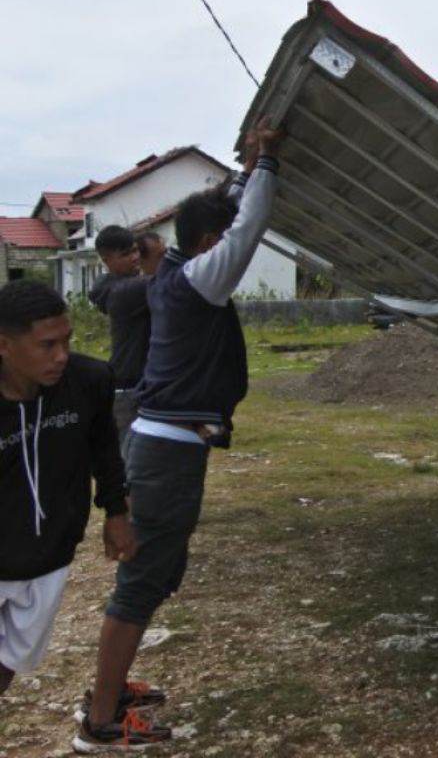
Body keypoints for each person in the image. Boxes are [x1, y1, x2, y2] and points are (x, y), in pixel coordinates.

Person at [74, 118, 284, 753]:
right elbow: (247, 232)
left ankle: (109, 692)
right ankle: (102, 722)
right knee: (142, 582)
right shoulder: (196, 279)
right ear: (208, 242)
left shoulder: (176, 274)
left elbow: (231, 220)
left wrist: (246, 169)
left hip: (162, 442)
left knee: (156, 575)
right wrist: (268, 163)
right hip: (166, 450)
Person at [0, 280, 135, 697]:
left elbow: (104, 449)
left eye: (67, 341)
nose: (61, 355)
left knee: (12, 658)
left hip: (50, 549)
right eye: (47, 345)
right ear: (5, 345)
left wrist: (116, 512)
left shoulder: (88, 380)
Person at [89, 226, 153, 459]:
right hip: (128, 383)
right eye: (126, 254)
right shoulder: (127, 289)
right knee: (127, 458)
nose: (135, 257)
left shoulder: (117, 284)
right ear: (106, 259)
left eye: (136, 251)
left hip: (140, 380)